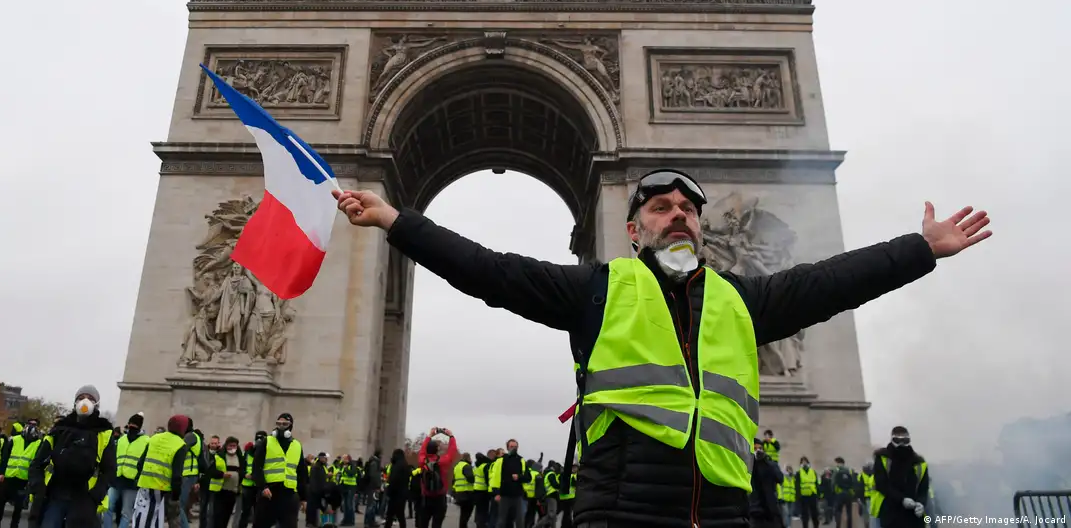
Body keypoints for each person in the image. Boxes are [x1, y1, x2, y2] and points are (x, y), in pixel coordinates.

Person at [332, 170, 991, 528]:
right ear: (632, 229)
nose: (677, 213)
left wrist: (920, 249)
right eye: (660, 208)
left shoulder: (744, 300)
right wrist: (394, 220)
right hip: (623, 512)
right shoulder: (597, 290)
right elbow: (491, 272)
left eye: (688, 208)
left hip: (724, 514)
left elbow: (830, 282)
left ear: (702, 227)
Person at [28, 385, 116, 528]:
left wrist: (95, 495)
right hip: (55, 495)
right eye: (81, 398)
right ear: (75, 402)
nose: (85, 402)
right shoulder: (59, 430)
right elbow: (37, 463)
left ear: (96, 404)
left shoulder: (104, 434)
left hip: (84, 499)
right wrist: (39, 487)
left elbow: (110, 470)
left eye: (90, 398)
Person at [133, 415, 192, 528]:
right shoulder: (180, 445)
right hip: (162, 489)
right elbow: (177, 475)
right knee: (157, 520)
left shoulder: (154, 438)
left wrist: (139, 478)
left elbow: (140, 463)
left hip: (144, 485)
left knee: (143, 518)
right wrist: (176, 496)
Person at [251, 413, 305, 528]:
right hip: (269, 493)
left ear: (290, 426)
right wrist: (263, 486)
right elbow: (256, 467)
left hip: (289, 494)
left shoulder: (297, 445)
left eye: (285, 424)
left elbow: (302, 473)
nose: (281, 426)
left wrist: (304, 497)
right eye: (278, 423)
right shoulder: (267, 441)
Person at [871, 427, 928, 528]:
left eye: (905, 441)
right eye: (898, 440)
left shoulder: (919, 462)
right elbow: (881, 484)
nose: (901, 444)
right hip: (890, 512)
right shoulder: (883, 458)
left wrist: (921, 503)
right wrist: (901, 499)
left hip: (913, 514)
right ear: (892, 440)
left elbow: (923, 488)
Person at [0, 419, 42, 528]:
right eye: (30, 424)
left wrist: (32, 479)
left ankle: (14, 526)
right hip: (9, 476)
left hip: (23, 479)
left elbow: (37, 463)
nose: (31, 426)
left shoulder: (38, 443)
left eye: (34, 425)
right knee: (0, 503)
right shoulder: (15, 439)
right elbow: (5, 457)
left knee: (18, 507)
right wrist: (1, 473)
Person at [108, 412, 149, 528]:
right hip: (117, 479)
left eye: (134, 424)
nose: (132, 426)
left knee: (126, 512)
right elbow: (114, 457)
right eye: (131, 423)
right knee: (107, 507)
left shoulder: (147, 441)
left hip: (132, 482)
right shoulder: (122, 439)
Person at [416, 428, 459, 528]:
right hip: (440, 497)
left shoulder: (423, 461)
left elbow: (422, 451)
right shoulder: (443, 461)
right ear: (437, 450)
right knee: (437, 524)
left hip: (426, 497)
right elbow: (452, 451)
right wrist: (451, 436)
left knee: (423, 524)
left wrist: (429, 436)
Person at [209, 436, 245, 528]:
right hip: (220, 491)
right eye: (230, 446)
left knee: (226, 517)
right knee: (218, 518)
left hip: (233, 492)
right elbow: (211, 472)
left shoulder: (240, 458)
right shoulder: (219, 456)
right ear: (226, 446)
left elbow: (242, 471)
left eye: (234, 446)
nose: (232, 448)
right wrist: (222, 474)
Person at [489, 440, 526, 528]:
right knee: (502, 520)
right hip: (504, 495)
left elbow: (525, 475)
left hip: (518, 494)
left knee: (519, 520)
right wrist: (496, 492)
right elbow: (495, 478)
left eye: (515, 446)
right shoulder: (500, 461)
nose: (514, 448)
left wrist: (519, 477)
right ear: (508, 448)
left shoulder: (521, 460)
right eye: (511, 446)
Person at [748, 440, 784, 528]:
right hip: (754, 510)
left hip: (771, 509)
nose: (758, 451)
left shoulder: (770, 464)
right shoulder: (748, 466)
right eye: (755, 449)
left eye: (760, 448)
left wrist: (766, 461)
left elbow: (780, 478)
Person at [383, 450, 410, 528]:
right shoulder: (405, 464)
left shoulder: (396, 466)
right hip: (403, 494)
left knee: (390, 515)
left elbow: (393, 480)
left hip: (395, 494)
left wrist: (389, 492)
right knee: (400, 515)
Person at [831, 457, 857, 528]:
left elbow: (833, 483)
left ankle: (838, 526)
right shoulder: (849, 471)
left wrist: (833, 492)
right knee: (849, 512)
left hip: (840, 494)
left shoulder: (836, 471)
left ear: (838, 463)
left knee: (838, 511)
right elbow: (853, 482)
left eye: (836, 463)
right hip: (848, 494)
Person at [796, 457, 820, 528]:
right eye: (802, 462)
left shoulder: (813, 471)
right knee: (805, 515)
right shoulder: (799, 473)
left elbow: (816, 483)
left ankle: (816, 526)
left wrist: (818, 494)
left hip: (812, 494)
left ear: (808, 462)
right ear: (801, 463)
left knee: (814, 513)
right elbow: (797, 485)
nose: (804, 463)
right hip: (803, 496)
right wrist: (798, 496)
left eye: (805, 461)